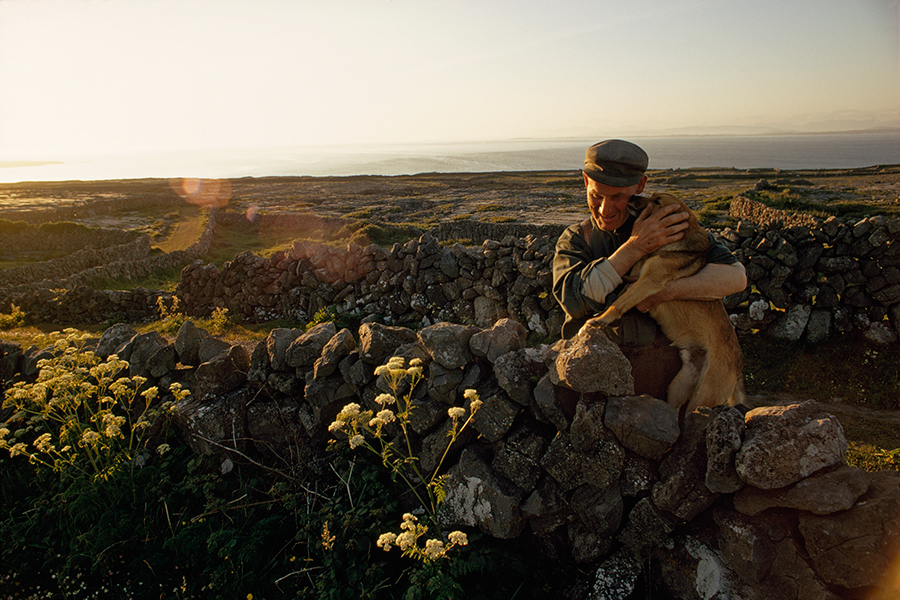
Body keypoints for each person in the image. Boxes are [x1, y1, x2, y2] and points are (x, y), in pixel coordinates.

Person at [552, 139, 747, 398]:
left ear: (640, 186)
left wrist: (664, 291)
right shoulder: (577, 239)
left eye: (618, 197)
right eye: (596, 195)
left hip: (663, 386)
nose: (605, 209)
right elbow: (574, 301)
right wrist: (636, 247)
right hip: (594, 386)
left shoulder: (668, 224)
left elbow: (736, 278)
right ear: (586, 182)